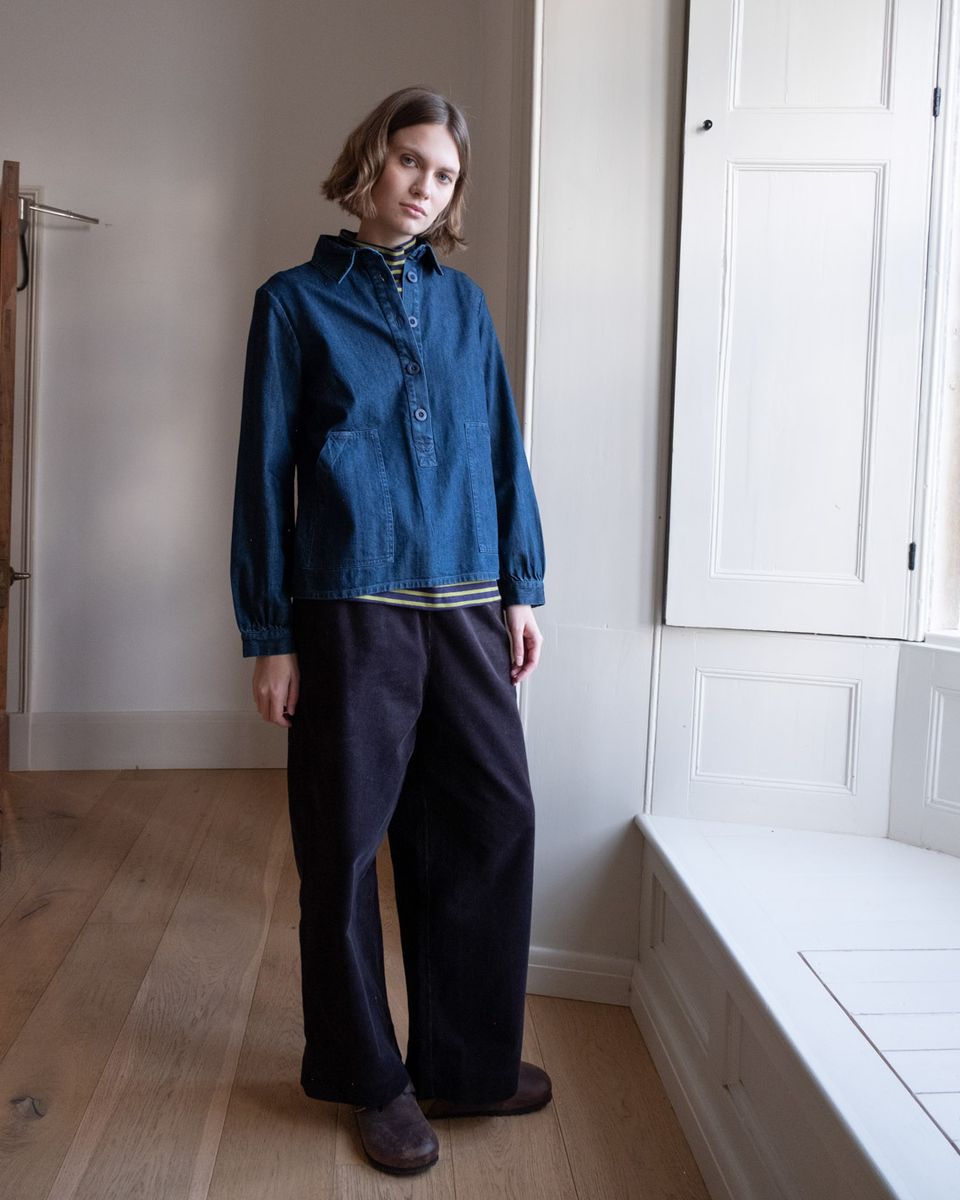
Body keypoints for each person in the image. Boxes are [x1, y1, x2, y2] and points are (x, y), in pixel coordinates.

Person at [230, 85, 548, 1176]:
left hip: (466, 606)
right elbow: (264, 477)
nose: (425, 187)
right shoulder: (293, 306)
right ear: (370, 162)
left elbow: (502, 448)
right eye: (411, 161)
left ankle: (464, 1063)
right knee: (344, 844)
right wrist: (269, 633)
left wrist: (522, 586)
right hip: (347, 611)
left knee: (493, 820)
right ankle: (369, 1077)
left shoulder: (465, 309)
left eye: (445, 174)